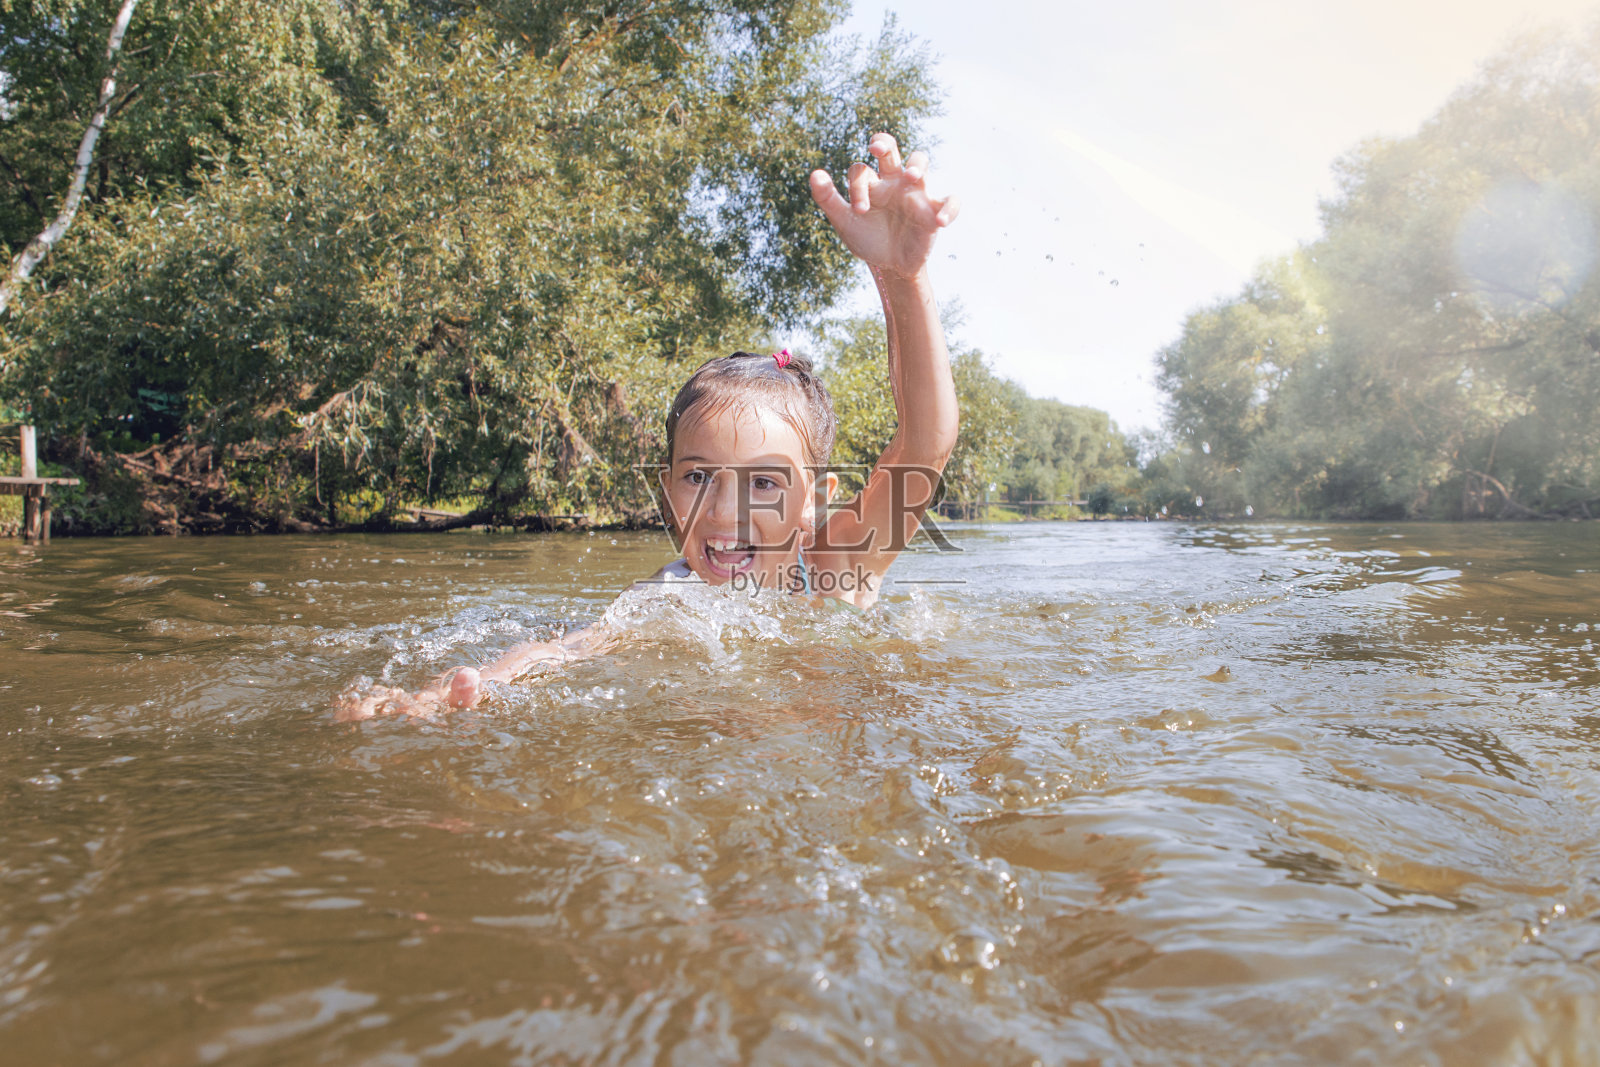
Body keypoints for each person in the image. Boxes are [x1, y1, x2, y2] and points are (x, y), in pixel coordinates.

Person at [338, 132, 959, 721]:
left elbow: (925, 444)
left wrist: (903, 278)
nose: (722, 513)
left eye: (765, 484)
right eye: (698, 478)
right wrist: (455, 688)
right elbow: (566, 650)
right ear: (667, 491)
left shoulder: (835, 564)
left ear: (813, 503)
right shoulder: (668, 600)